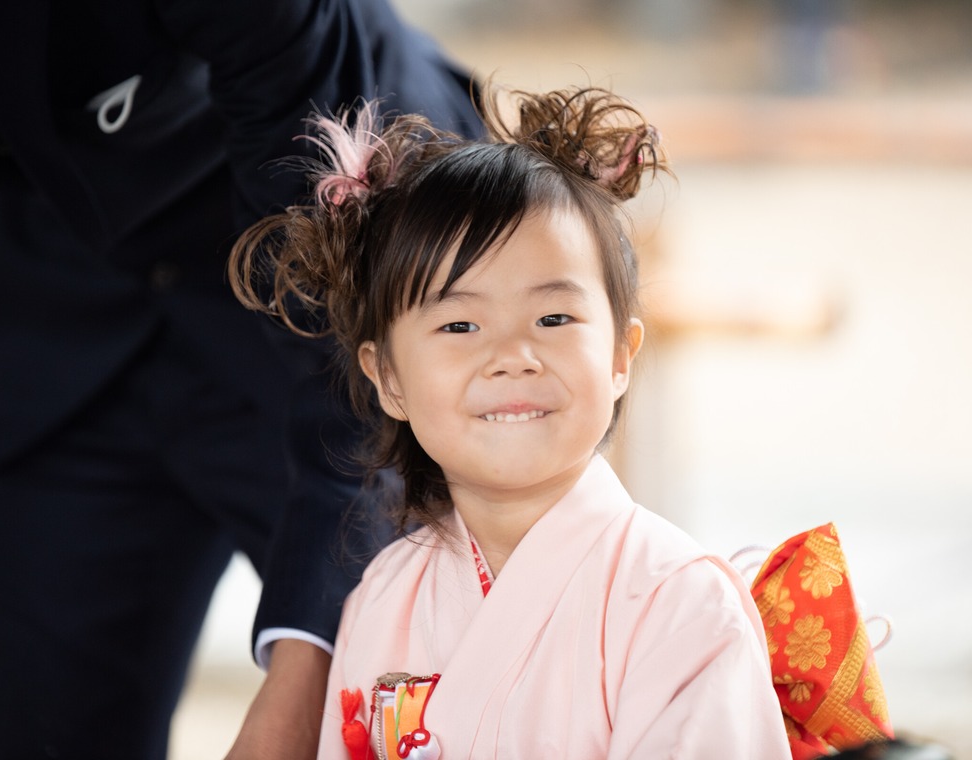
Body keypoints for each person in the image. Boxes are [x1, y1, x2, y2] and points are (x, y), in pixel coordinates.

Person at [0, 1, 480, 758]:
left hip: (346, 219)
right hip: (75, 269)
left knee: (393, 710)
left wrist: (311, 671)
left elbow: (355, 391)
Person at [230, 86, 793, 759]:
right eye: (460, 323)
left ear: (620, 356)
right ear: (389, 378)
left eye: (553, 319)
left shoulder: (679, 603)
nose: (511, 358)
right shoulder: (384, 597)